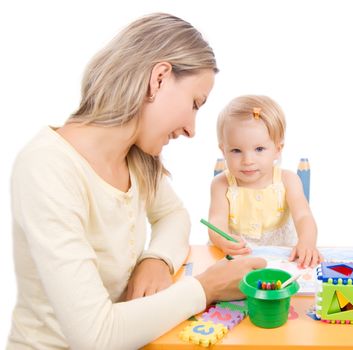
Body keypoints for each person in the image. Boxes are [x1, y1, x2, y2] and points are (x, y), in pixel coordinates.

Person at [7, 13, 266, 350]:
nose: (191, 128)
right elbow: (95, 337)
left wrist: (155, 259)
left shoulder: (134, 157)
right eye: (194, 104)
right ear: (158, 78)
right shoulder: (47, 167)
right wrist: (207, 288)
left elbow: (174, 215)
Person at [207, 95, 322, 268]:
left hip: (282, 258)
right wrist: (223, 239)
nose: (247, 160)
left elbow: (303, 216)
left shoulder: (287, 180)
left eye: (259, 149)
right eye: (236, 150)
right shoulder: (221, 184)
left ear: (278, 149)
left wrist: (307, 242)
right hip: (237, 257)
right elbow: (216, 222)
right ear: (223, 150)